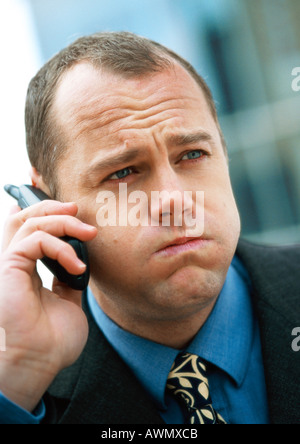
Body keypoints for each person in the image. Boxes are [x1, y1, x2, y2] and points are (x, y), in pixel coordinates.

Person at [0, 31, 299, 425]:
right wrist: (20, 371)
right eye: (123, 172)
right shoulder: (24, 396)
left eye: (193, 154)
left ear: (223, 153)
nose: (174, 200)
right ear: (45, 203)